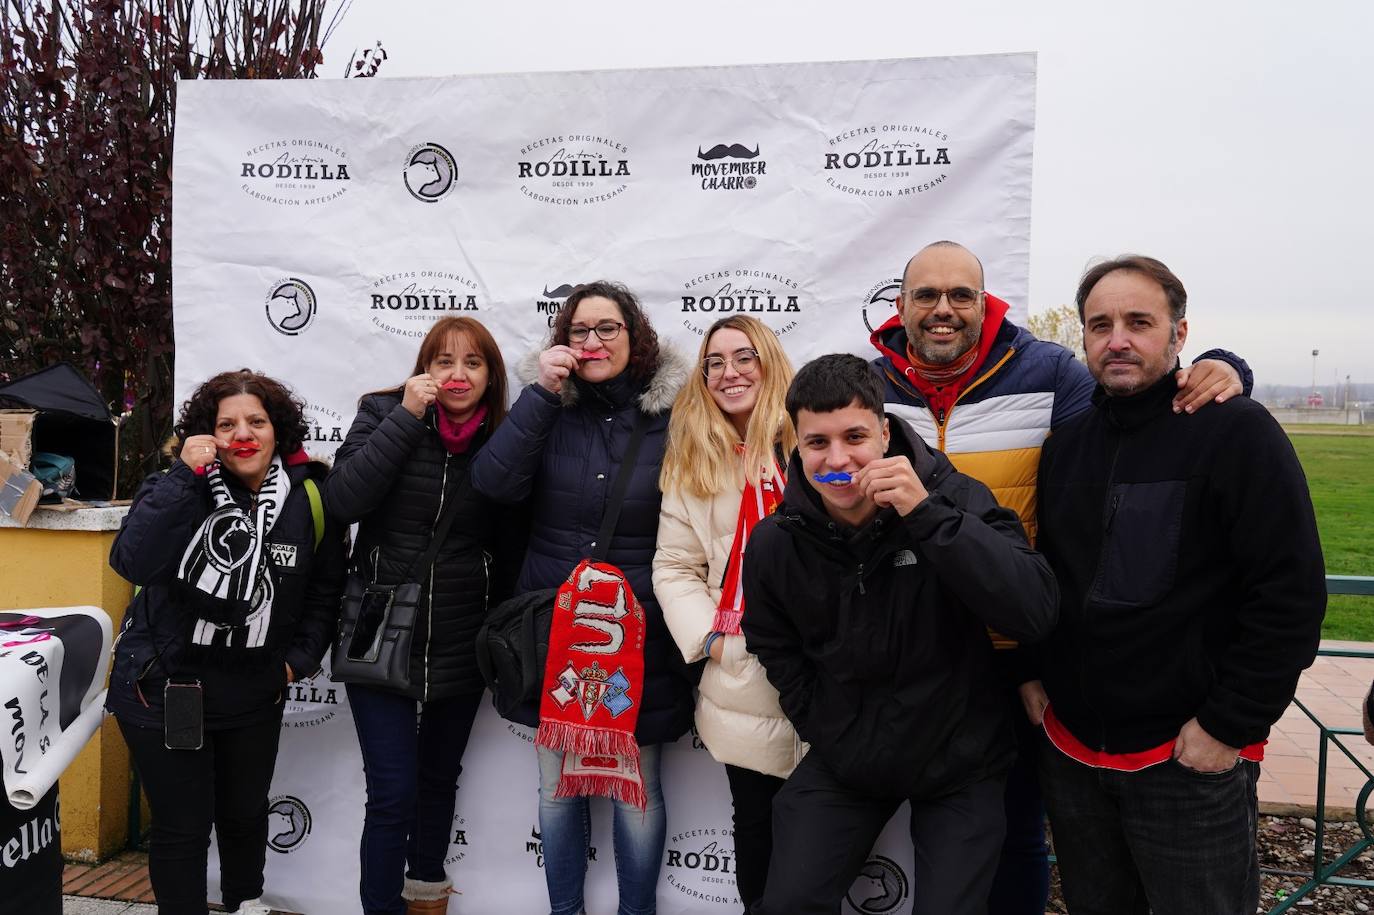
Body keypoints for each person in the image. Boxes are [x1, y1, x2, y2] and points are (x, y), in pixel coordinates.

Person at [869, 240, 1252, 914]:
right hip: (903, 655)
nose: (943, 309)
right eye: (925, 295)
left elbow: (1132, 413)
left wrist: (1223, 367)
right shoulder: (866, 385)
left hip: (1013, 653)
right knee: (892, 839)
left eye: (961, 295)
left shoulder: (1047, 371)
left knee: (1017, 835)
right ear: (899, 306)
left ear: (985, 303)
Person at [1028, 255, 1326, 915]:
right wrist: (1032, 674)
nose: (1119, 339)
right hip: (1075, 755)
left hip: (1187, 762)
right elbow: (1046, 575)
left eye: (1140, 321)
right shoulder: (1067, 444)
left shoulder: (1236, 431)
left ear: (1179, 333)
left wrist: (1228, 724)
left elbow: (1291, 594)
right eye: (1100, 324)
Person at [741, 354, 1058, 915]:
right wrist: (824, 722)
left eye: (856, 436)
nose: (838, 460)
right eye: (818, 443)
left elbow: (1033, 609)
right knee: (787, 901)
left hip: (963, 759)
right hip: (849, 756)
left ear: (885, 434)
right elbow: (772, 640)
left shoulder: (953, 497)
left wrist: (927, 515)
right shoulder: (776, 540)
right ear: (797, 442)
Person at [470, 281, 694, 915]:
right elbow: (492, 481)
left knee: (636, 788)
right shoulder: (546, 408)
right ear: (562, 342)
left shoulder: (674, 415)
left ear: (636, 337)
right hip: (552, 632)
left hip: (635, 633)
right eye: (579, 331)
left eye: (608, 329)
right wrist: (542, 393)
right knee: (557, 786)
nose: (593, 342)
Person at [107, 370, 347, 915]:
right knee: (182, 829)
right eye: (227, 423)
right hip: (165, 688)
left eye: (256, 421)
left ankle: (244, 904)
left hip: (253, 689)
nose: (244, 434)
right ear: (207, 434)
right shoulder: (182, 487)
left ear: (276, 430)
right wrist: (184, 477)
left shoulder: (309, 498)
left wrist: (294, 665)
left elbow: (325, 593)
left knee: (243, 817)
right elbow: (132, 561)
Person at [327, 317, 524, 915]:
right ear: (423, 369)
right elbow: (343, 502)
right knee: (392, 794)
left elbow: (516, 541)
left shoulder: (507, 439)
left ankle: (428, 900)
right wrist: (405, 419)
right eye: (444, 361)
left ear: (491, 377)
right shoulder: (383, 413)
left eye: (472, 363)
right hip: (378, 628)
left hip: (463, 635)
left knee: (438, 784)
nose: (457, 375)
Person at [653, 315, 799, 911]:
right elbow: (674, 566)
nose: (729, 372)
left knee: (824, 835)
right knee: (758, 828)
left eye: (744, 357)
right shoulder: (695, 460)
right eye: (714, 361)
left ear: (769, 363)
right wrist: (714, 639)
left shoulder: (811, 439)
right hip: (743, 675)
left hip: (830, 670)